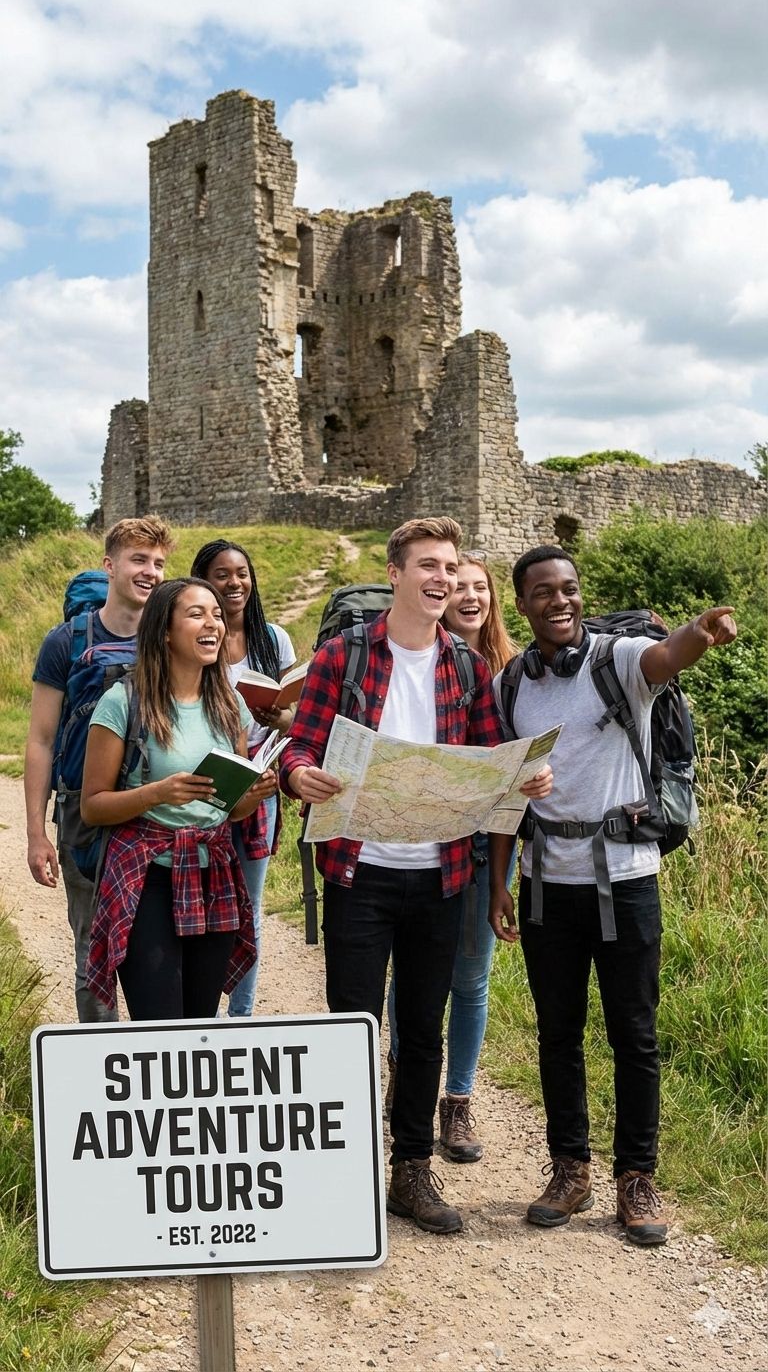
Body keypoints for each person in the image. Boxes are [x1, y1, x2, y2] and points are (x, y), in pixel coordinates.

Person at [280, 517, 551, 1235]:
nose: (441, 578)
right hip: (357, 871)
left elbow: (495, 755)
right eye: (428, 565)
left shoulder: (465, 667)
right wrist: (299, 774)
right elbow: (299, 745)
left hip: (440, 876)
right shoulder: (342, 656)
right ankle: (342, 1170)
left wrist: (526, 777)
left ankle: (409, 1170)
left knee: (422, 1029)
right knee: (351, 1024)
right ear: (395, 574)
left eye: (450, 566)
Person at [488, 545, 737, 1247]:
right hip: (545, 885)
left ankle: (636, 1178)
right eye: (543, 592)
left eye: (568, 588)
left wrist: (698, 631)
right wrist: (497, 883)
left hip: (625, 881)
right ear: (524, 603)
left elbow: (667, 660)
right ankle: (570, 1168)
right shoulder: (513, 686)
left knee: (635, 1032)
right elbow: (508, 794)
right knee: (558, 1032)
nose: (559, 601)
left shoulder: (618, 660)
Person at [81, 577, 276, 1020]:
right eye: (196, 614)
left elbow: (232, 808)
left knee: (201, 1022)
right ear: (164, 631)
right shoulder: (121, 702)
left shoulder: (230, 704)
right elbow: (92, 806)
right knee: (160, 1025)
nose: (214, 624)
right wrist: (156, 793)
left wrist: (253, 792)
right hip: (145, 876)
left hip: (214, 872)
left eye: (217, 616)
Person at [386, 551, 523, 1162]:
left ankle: (457, 1100)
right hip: (418, 844)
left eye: (479, 587)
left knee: (469, 976)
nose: (468, 596)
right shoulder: (411, 659)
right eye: (456, 585)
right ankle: (403, 1084)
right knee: (411, 978)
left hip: (485, 848)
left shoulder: (509, 671)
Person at [24, 515, 174, 1023]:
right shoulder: (65, 642)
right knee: (93, 947)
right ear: (110, 565)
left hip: (158, 814)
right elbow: (42, 741)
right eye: (138, 560)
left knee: (159, 943)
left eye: (158, 563)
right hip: (84, 817)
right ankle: (101, 1064)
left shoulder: (171, 641)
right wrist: (34, 834)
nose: (150, 571)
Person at [191, 539, 296, 1016]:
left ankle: (242, 1016)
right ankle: (200, 1012)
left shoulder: (272, 639)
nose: (234, 583)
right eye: (221, 574)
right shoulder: (193, 636)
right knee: (201, 898)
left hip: (259, 778)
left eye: (242, 574)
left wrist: (282, 717)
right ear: (201, 583)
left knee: (248, 906)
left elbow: (299, 716)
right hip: (204, 777)